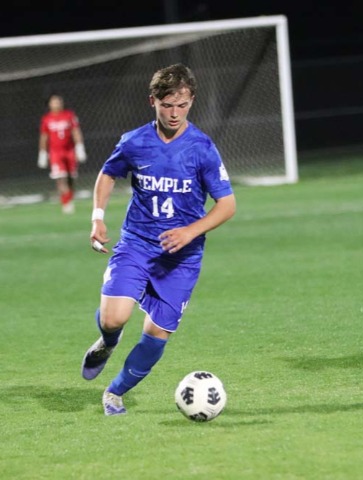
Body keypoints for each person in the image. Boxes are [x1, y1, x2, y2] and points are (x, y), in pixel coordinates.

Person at [80, 63, 236, 416]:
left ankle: (114, 393)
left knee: (156, 335)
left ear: (191, 101)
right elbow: (107, 174)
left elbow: (227, 205)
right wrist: (97, 217)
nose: (175, 113)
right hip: (137, 243)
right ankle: (107, 342)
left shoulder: (202, 148)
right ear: (153, 101)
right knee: (114, 319)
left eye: (182, 105)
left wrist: (191, 230)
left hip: (181, 258)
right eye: (167, 105)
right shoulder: (134, 142)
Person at [38, 93, 87, 214]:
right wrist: (43, 153)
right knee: (60, 177)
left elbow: (75, 131)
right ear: (49, 104)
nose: (57, 104)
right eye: (54, 102)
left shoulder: (69, 115)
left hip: (69, 150)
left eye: (58, 101)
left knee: (70, 177)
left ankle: (69, 197)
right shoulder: (46, 119)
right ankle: (66, 202)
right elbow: (44, 137)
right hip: (55, 152)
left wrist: (79, 148)